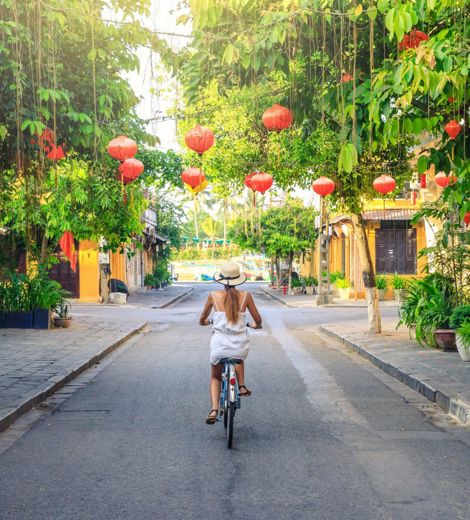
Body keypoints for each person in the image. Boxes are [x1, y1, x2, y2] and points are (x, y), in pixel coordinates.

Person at [199, 261, 262, 425]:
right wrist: (257, 325)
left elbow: (202, 318)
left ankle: (214, 409)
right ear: (238, 279)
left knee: (215, 376)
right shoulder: (246, 296)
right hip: (239, 346)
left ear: (221, 279)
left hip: (219, 346)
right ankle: (241, 386)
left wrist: (204, 322)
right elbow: (258, 320)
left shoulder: (213, 296)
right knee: (238, 357)